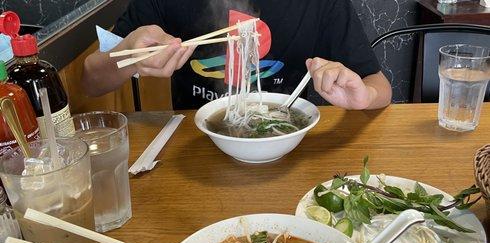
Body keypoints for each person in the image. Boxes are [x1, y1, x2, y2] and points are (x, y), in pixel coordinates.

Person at [82, 0, 392, 110]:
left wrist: (363, 96)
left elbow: (379, 85)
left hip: (289, 144)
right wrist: (127, 54)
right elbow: (91, 79)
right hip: (196, 148)